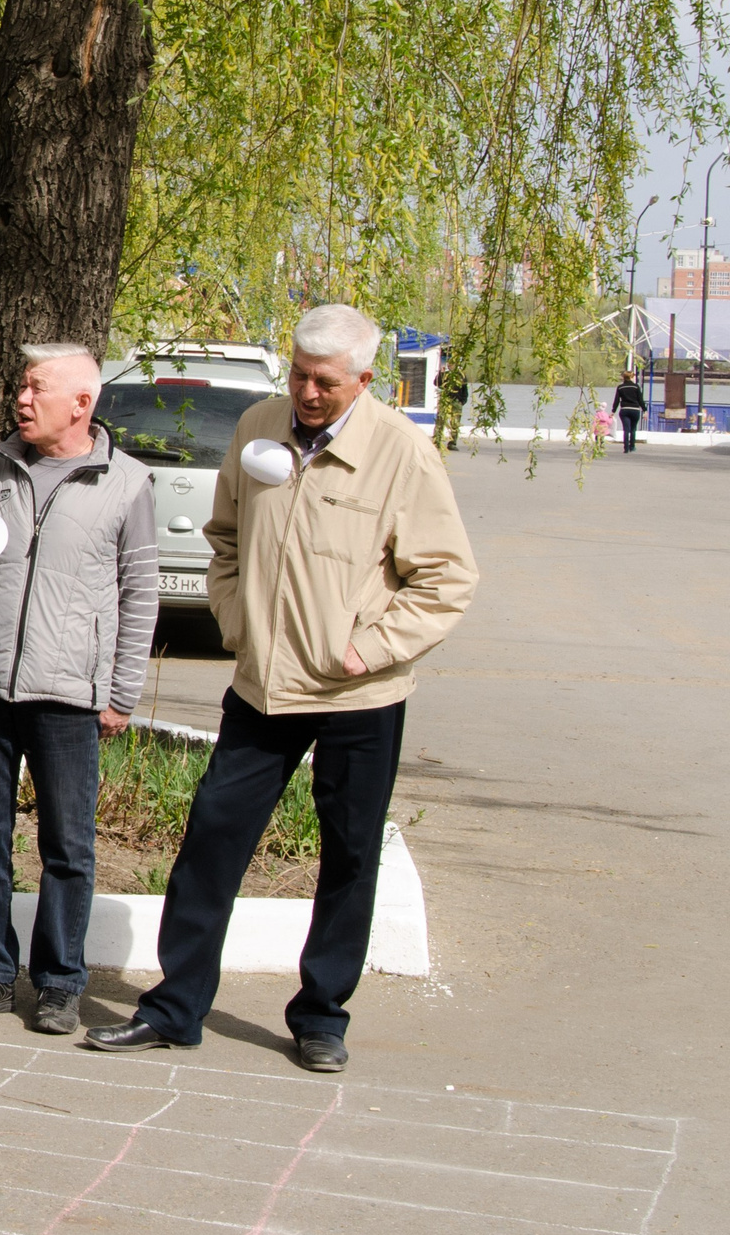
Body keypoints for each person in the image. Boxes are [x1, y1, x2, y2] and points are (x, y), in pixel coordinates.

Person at [87, 303, 477, 1073]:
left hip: (358, 696)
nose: (306, 392)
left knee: (349, 855)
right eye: (299, 375)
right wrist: (238, 621)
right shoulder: (257, 425)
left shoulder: (402, 452)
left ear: (364, 380)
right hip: (262, 686)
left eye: (324, 382)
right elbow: (225, 538)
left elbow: (446, 579)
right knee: (211, 841)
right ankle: (175, 1007)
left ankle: (321, 1015)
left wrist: (368, 650)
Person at [0, 344, 158, 1035]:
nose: (21, 400)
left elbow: (139, 592)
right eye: (20, 387)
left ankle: (60, 983)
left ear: (82, 404)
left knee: (68, 846)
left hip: (67, 691)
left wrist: (122, 690)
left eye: (36, 389)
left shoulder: (126, 483)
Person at [611, 373, 646, 453]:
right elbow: (640, 400)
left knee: (626, 429)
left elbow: (616, 400)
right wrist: (644, 410)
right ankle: (632, 447)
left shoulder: (620, 387)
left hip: (624, 410)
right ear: (631, 377)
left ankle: (626, 448)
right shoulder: (636, 387)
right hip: (635, 410)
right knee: (633, 429)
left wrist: (613, 411)